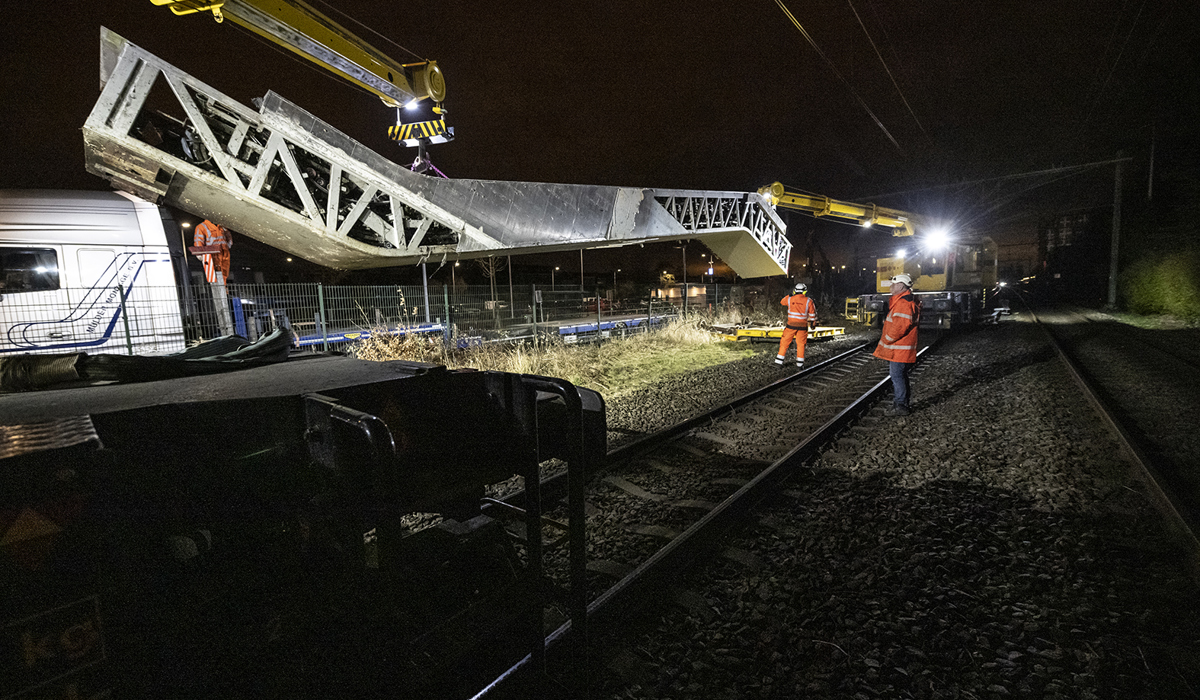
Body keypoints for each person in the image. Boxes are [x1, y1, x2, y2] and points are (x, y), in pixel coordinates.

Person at [873, 273, 921, 416]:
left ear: (901, 286)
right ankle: (901, 403)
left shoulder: (903, 303)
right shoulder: (904, 301)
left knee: (897, 376)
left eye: (893, 284)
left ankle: (901, 406)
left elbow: (900, 327)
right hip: (901, 348)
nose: (891, 287)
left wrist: (887, 338)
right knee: (900, 375)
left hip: (900, 349)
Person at [775, 282, 817, 368]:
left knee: (784, 343)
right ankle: (799, 364)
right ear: (804, 291)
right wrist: (813, 323)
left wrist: (789, 295)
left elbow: (782, 302)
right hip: (802, 327)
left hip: (791, 326)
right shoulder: (809, 301)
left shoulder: (790, 299)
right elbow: (813, 313)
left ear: (795, 291)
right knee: (801, 344)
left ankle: (778, 362)